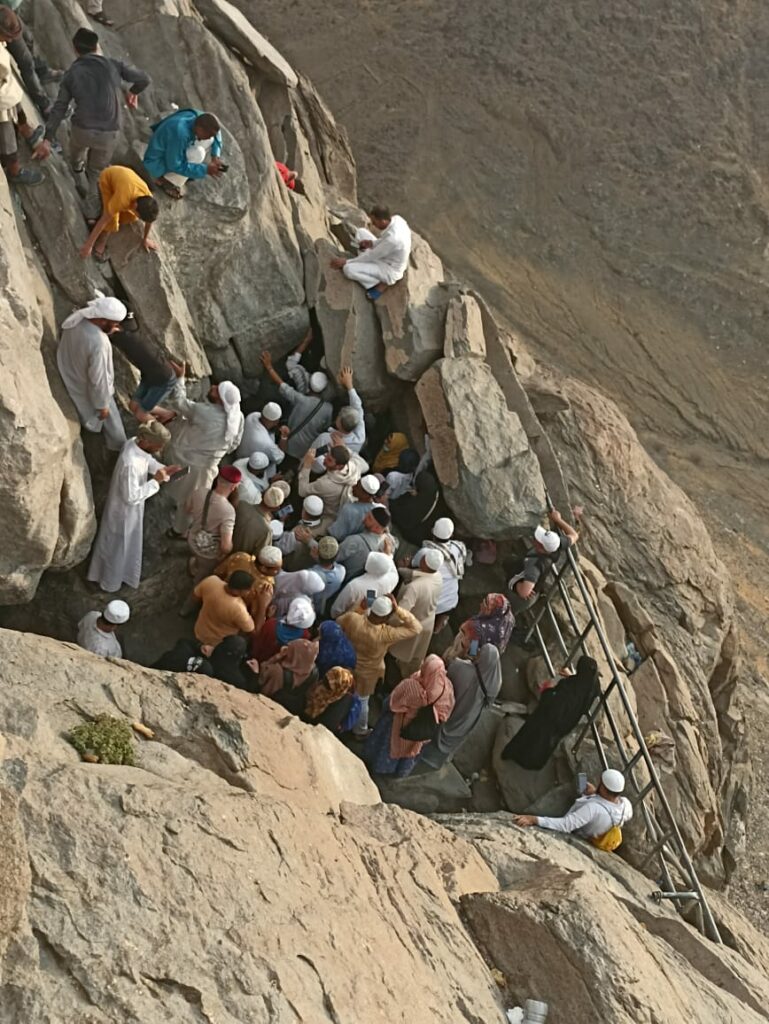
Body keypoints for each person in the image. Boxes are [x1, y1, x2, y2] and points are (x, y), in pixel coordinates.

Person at [39, 28, 150, 221]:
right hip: (110, 132)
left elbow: (59, 108)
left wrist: (47, 139)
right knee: (96, 172)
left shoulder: (72, 73)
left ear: (75, 50)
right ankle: (91, 213)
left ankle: (76, 168)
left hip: (82, 129)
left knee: (76, 148)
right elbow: (144, 79)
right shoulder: (113, 64)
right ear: (97, 46)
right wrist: (134, 92)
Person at [87, 421, 179, 592]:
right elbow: (131, 496)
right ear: (148, 442)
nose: (159, 449)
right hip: (123, 513)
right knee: (116, 550)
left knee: (123, 548)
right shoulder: (130, 463)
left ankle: (116, 576)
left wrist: (164, 470)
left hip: (130, 511)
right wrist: (156, 481)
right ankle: (108, 582)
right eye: (158, 446)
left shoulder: (135, 443)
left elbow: (147, 460)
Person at [164, 363, 244, 536]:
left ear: (221, 399)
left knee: (186, 501)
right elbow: (234, 444)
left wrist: (180, 378)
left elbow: (180, 402)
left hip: (188, 461)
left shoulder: (206, 412)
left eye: (217, 390)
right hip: (208, 468)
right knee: (194, 499)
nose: (213, 387)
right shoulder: (238, 417)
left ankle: (179, 531)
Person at [337, 594, 421, 736]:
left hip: (345, 663)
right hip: (367, 674)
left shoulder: (353, 618)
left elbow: (338, 623)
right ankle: (360, 730)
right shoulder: (385, 634)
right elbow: (416, 628)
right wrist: (398, 610)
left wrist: (360, 608)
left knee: (340, 690)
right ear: (385, 618)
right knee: (362, 702)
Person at [501, 657, 600, 770]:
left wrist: (548, 691)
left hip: (550, 719)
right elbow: (582, 690)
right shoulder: (593, 686)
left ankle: (519, 757)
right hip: (568, 722)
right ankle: (537, 762)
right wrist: (571, 677)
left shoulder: (568, 692)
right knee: (546, 743)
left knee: (533, 735)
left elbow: (551, 705)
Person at [57, 294, 128, 451]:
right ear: (103, 320)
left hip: (67, 363)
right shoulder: (99, 344)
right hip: (82, 384)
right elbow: (98, 380)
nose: (116, 326)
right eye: (114, 323)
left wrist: (106, 330)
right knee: (115, 428)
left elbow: (87, 336)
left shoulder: (80, 318)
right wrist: (102, 405)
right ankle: (118, 449)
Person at [363, 655, 455, 777]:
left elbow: (392, 703)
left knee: (387, 746)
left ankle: (377, 768)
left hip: (398, 726)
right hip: (419, 732)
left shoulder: (413, 686)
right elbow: (445, 713)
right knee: (409, 751)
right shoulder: (446, 688)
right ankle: (398, 772)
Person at [419, 644, 503, 771]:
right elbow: (489, 703)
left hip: (450, 706)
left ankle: (419, 751)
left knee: (438, 726)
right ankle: (437, 761)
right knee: (455, 735)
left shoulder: (460, 666)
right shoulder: (494, 683)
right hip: (468, 716)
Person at [513, 769, 633, 848]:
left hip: (579, 834)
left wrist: (534, 819)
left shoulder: (593, 808)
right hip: (601, 836)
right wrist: (594, 794)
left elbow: (566, 825)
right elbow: (609, 805)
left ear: (604, 788)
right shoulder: (626, 805)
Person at [260, 351, 332, 462]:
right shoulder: (329, 408)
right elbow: (325, 428)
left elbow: (282, 385)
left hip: (285, 443)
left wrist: (269, 366)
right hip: (302, 452)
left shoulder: (301, 399)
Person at [0, 9, 45, 185]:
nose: (10, 41)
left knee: (17, 105)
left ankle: (27, 131)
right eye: (7, 36)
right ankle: (14, 170)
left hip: (4, 87)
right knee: (6, 135)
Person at [505, 508, 580, 613]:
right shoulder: (556, 545)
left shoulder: (534, 564)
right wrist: (558, 520)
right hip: (532, 588)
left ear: (540, 547)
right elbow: (574, 535)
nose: (535, 539)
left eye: (538, 539)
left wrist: (516, 584)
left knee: (505, 612)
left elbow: (524, 592)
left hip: (520, 597)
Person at [330, 205, 412, 301]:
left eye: (374, 222)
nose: (373, 225)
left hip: (389, 268)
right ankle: (364, 265)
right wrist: (371, 243)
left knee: (348, 269)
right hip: (386, 254)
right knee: (361, 232)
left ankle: (378, 283)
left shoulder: (393, 239)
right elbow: (384, 241)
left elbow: (372, 255)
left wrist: (347, 262)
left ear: (383, 221)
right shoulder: (397, 219)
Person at [79, 165, 159, 262]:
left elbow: (149, 221)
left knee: (131, 218)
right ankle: (100, 244)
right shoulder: (123, 199)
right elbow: (105, 219)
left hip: (123, 181)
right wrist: (88, 245)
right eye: (139, 215)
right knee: (112, 222)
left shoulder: (148, 200)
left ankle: (101, 218)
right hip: (108, 180)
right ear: (135, 206)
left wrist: (145, 239)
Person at [143, 108, 223, 199]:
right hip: (156, 162)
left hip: (172, 148)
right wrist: (205, 169)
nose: (209, 137)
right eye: (208, 135)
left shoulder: (197, 117)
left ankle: (185, 174)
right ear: (200, 129)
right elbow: (175, 165)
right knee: (198, 154)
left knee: (211, 141)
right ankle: (167, 181)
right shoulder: (180, 133)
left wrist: (215, 156)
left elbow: (217, 132)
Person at [390, 548, 444, 676]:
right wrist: (401, 569)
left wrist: (387, 622)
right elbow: (418, 574)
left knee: (402, 656)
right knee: (415, 654)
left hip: (411, 625)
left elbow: (401, 613)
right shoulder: (438, 576)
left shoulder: (415, 587)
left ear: (424, 563)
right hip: (426, 621)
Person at [185, 466, 240, 585]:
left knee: (195, 555)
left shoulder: (200, 491)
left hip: (192, 538)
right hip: (207, 552)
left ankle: (193, 563)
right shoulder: (228, 511)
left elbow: (188, 509)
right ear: (234, 486)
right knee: (203, 572)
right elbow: (225, 546)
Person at [110, 326, 176, 424]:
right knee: (133, 405)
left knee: (140, 414)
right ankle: (168, 414)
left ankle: (161, 434)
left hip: (163, 380)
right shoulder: (129, 330)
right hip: (150, 376)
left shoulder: (126, 338)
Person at [214, 544, 283, 634]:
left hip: (216, 596)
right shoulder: (264, 587)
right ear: (263, 568)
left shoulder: (240, 556)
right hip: (231, 617)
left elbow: (218, 572)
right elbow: (256, 625)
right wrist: (263, 606)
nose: (279, 571)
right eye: (276, 569)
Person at [309, 366, 366, 466]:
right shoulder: (360, 438)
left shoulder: (326, 439)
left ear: (338, 423)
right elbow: (358, 407)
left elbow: (310, 455)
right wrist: (350, 386)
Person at [297, 444, 360, 532]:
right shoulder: (353, 468)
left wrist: (307, 466)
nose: (325, 459)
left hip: (326, 516)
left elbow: (302, 491)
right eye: (327, 455)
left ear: (339, 466)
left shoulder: (325, 484)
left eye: (330, 460)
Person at [420, 517, 468, 630]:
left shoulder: (426, 551)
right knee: (446, 605)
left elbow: (413, 563)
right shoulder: (458, 547)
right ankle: (439, 625)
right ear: (451, 535)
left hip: (429, 604)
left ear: (432, 532)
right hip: (450, 601)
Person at [193, 570, 255, 647]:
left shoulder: (212, 581)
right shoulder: (239, 609)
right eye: (249, 589)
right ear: (241, 591)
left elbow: (196, 596)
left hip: (200, 630)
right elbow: (250, 630)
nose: (251, 591)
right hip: (217, 643)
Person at [444, 594, 515, 661]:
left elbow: (471, 653)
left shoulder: (475, 629)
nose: (481, 604)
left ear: (491, 611)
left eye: (485, 604)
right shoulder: (502, 630)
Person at [259, 638, 319, 716]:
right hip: (289, 710)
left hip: (267, 706)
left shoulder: (276, 671)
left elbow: (261, 675)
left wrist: (279, 656)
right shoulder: (314, 672)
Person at [330, 550, 398, 619]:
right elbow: (390, 564)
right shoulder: (393, 577)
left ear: (371, 565)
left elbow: (335, 612)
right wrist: (388, 554)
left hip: (344, 620)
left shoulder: (355, 586)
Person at [335, 506, 395, 581]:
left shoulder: (355, 541)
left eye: (369, 518)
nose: (364, 518)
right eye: (367, 514)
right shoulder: (390, 543)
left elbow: (332, 557)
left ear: (377, 528)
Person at [251, 595, 316, 663]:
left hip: (261, 660)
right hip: (277, 668)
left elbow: (258, 644)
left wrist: (268, 617)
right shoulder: (305, 636)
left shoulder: (270, 625)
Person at [390, 469, 441, 546]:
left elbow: (398, 514)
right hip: (427, 537)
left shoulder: (413, 506)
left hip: (411, 538)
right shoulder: (436, 494)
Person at [232, 483, 283, 556]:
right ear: (276, 508)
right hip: (236, 563)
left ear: (262, 495)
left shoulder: (241, 505)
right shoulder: (266, 531)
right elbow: (260, 556)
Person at [302, 668, 358, 734]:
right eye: (325, 679)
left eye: (328, 685)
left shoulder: (340, 706)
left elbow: (325, 727)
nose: (323, 684)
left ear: (337, 688)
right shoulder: (322, 687)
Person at [235, 400, 284, 472]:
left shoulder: (252, 416)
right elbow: (280, 458)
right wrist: (284, 437)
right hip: (249, 467)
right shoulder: (264, 442)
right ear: (275, 422)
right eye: (276, 421)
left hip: (239, 456)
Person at [328, 474, 380, 541]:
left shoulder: (349, 509)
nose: (353, 487)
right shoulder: (379, 508)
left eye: (357, 487)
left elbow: (336, 534)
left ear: (366, 495)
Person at [308, 536, 346, 614]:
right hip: (324, 606)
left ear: (317, 553)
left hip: (311, 605)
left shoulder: (310, 574)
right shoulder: (342, 571)